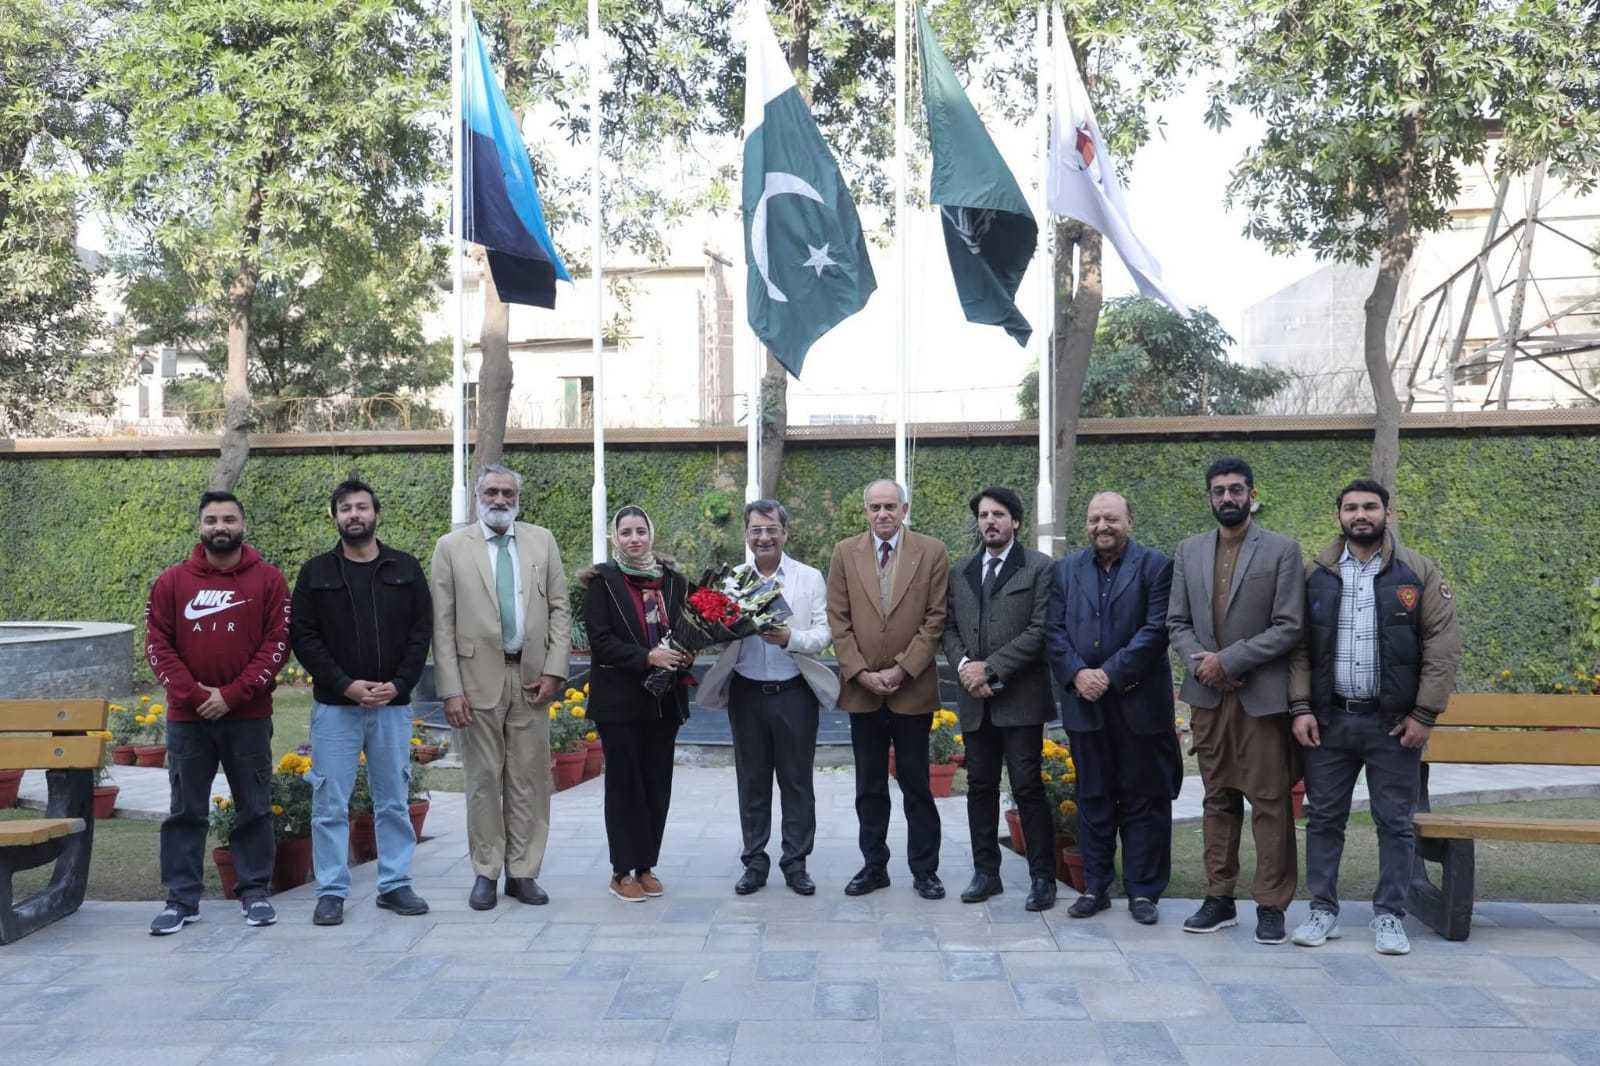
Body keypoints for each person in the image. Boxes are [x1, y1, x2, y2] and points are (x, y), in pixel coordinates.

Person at [1288, 479, 1460, 956]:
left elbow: (1443, 646)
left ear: (1387, 512)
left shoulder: (1418, 571)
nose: (1360, 515)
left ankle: (1389, 915)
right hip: (1330, 721)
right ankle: (1322, 910)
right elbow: (1298, 648)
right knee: (1324, 819)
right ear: (1339, 516)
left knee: (1395, 822)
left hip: (1394, 725)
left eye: (1369, 506)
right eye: (1351, 508)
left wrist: (1424, 713)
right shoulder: (1315, 574)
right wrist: (1300, 707)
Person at [1167, 457, 1306, 945]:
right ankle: (1219, 896)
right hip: (1208, 698)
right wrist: (1202, 665)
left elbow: (1289, 625)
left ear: (1252, 494)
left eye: (1236, 489)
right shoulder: (1188, 551)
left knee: (1269, 802)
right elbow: (1176, 622)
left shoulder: (1282, 550)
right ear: (1208, 497)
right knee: (1217, 798)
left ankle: (1270, 903)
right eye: (1219, 490)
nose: (1227, 497)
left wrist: (1228, 661)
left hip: (1260, 698)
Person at [144, 490, 291, 935]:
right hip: (188, 721)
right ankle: (181, 900)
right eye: (212, 520)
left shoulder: (269, 580)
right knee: (185, 811)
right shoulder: (172, 582)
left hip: (248, 716)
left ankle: (255, 893)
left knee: (254, 808)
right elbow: (157, 645)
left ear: (242, 525)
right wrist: (194, 695)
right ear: (200, 526)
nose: (220, 527)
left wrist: (231, 695)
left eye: (228, 519)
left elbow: (277, 644)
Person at [291, 478, 433, 926]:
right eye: (346, 508)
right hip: (336, 708)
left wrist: (400, 683)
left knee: (392, 799)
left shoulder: (405, 568)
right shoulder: (316, 573)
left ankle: (394, 884)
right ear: (335, 517)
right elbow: (304, 638)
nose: (354, 515)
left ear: (376, 514)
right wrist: (345, 685)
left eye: (362, 507)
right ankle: (331, 890)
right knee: (329, 803)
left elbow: (420, 632)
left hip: (392, 706)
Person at [430, 464, 570, 911]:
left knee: (530, 779)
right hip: (476, 681)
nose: (500, 500)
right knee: (483, 780)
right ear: (477, 495)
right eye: (491, 491)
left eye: (508, 492)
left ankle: (523, 872)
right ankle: (486, 872)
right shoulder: (451, 548)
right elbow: (442, 624)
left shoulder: (542, 541)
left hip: (531, 678)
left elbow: (560, 610)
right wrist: (450, 689)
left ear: (517, 498)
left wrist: (555, 670)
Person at [1046, 492, 1183, 925]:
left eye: (1111, 518)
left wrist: (1107, 674)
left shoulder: (1156, 566)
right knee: (1093, 798)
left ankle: (1144, 892)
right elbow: (1053, 631)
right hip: (1085, 706)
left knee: (1145, 801)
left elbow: (1155, 630)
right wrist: (1077, 674)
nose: (1101, 526)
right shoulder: (1066, 570)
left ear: (1130, 521)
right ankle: (1096, 886)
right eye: (1094, 519)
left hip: (1139, 704)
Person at [699, 500, 837, 897]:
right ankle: (755, 863)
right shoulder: (733, 580)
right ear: (746, 534)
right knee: (752, 782)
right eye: (756, 530)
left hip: (794, 692)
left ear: (785, 532)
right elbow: (714, 634)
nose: (764, 537)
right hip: (747, 693)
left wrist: (791, 638)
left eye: (771, 529)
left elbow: (824, 632)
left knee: (797, 782)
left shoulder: (808, 577)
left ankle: (796, 863)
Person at [826, 479, 951, 900]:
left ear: (904, 509)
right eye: (875, 507)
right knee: (869, 786)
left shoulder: (931, 552)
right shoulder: (844, 553)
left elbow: (935, 619)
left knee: (916, 783)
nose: (882, 514)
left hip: (911, 690)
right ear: (865, 511)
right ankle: (874, 866)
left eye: (890, 506)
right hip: (863, 692)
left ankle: (925, 871)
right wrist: (860, 672)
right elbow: (838, 619)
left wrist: (902, 669)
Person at [941, 486, 1058, 912]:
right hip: (975, 700)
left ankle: (1043, 878)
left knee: (1027, 786)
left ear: (1016, 522)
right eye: (984, 515)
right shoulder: (961, 571)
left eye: (999, 515)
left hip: (1021, 699)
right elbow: (948, 628)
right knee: (980, 786)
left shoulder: (1040, 568)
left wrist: (989, 669)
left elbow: (1041, 630)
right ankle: (986, 873)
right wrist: (965, 668)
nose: (990, 521)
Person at [583, 506, 691, 902]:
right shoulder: (602, 582)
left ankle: (646, 866)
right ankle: (621, 870)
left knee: (656, 782)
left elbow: (688, 629)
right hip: (619, 701)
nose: (634, 539)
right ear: (615, 538)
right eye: (626, 532)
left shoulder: (674, 582)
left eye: (640, 531)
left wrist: (686, 653)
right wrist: (647, 657)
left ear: (651, 534)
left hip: (664, 701)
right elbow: (600, 640)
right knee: (625, 784)